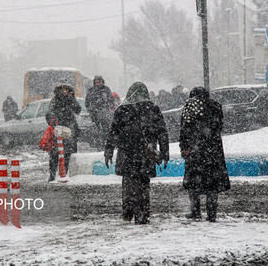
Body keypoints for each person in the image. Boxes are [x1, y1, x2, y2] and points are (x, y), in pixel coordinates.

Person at [104, 82, 169, 224]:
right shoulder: (152, 108)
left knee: (127, 183)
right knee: (144, 184)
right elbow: (162, 132)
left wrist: (108, 151)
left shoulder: (122, 110)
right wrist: (164, 152)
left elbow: (113, 133)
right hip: (146, 153)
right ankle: (143, 214)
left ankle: (128, 212)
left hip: (127, 153)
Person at [179, 86, 230, 222]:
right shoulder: (216, 107)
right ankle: (212, 213)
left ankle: (195, 211)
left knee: (194, 182)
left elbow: (185, 129)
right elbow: (219, 127)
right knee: (212, 183)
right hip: (213, 150)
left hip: (195, 149)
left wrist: (184, 147)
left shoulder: (191, 106)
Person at [45, 82, 81, 182]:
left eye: (66, 89)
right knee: (54, 153)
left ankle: (64, 173)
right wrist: (54, 121)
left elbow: (78, 109)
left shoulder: (71, 99)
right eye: (62, 89)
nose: (64, 91)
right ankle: (52, 175)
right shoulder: (55, 99)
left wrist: (71, 99)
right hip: (58, 129)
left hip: (70, 129)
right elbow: (49, 112)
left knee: (68, 153)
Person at [85, 75, 115, 149]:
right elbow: (87, 102)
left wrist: (110, 108)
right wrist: (90, 110)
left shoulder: (106, 89)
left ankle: (106, 144)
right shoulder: (91, 90)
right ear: (94, 82)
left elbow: (111, 100)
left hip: (105, 113)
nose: (98, 83)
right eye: (96, 82)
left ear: (102, 82)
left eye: (99, 82)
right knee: (96, 130)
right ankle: (98, 144)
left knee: (106, 129)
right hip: (94, 114)